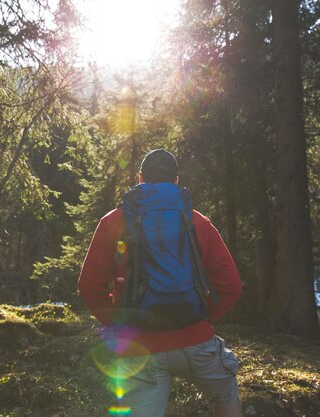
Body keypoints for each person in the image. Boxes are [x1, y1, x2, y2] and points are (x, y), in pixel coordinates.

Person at [78, 149, 244, 417]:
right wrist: (202, 316)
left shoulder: (113, 221)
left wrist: (120, 321)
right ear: (176, 181)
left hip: (139, 347)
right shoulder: (197, 221)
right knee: (226, 392)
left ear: (140, 178)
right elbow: (231, 286)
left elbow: (89, 285)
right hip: (195, 340)